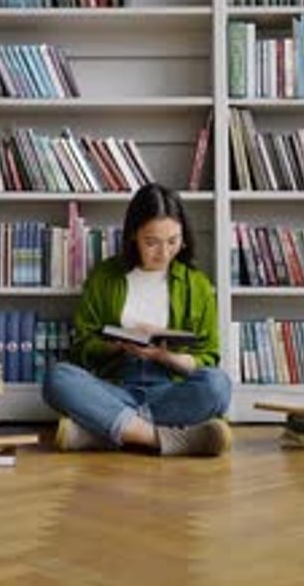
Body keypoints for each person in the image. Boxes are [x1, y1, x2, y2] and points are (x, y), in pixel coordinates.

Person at [43, 182, 232, 456]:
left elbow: (209, 357)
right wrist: (119, 344)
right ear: (133, 235)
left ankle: (105, 431)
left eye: (173, 241)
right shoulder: (106, 276)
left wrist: (162, 356)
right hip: (116, 387)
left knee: (218, 385)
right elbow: (82, 350)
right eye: (152, 242)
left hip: (170, 390)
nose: (164, 253)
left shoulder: (197, 285)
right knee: (57, 378)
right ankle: (166, 439)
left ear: (184, 237)